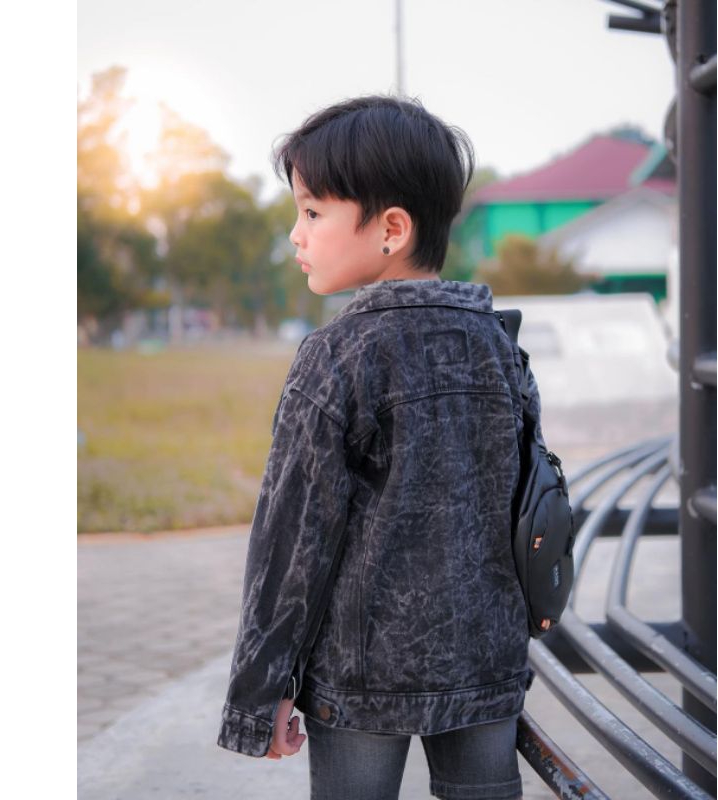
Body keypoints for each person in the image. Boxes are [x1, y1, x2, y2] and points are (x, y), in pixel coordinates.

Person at [217, 95, 531, 800]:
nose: (296, 233)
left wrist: (263, 691)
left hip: (361, 679)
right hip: (485, 662)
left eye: (312, 212)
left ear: (391, 228)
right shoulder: (499, 345)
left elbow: (293, 539)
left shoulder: (337, 355)